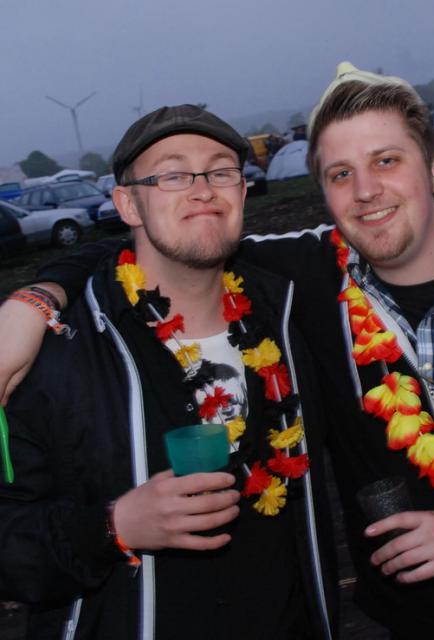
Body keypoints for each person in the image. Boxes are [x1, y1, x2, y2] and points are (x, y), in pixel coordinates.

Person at [2, 63, 434, 638]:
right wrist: (38, 298)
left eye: (386, 160)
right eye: (340, 174)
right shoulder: (309, 283)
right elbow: (174, 241)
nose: (366, 191)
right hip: (415, 625)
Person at [0, 105, 337, 639]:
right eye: (173, 175)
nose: (203, 190)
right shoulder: (52, 350)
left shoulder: (291, 312)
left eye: (220, 171)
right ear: (127, 204)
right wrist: (112, 527)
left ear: (242, 191)